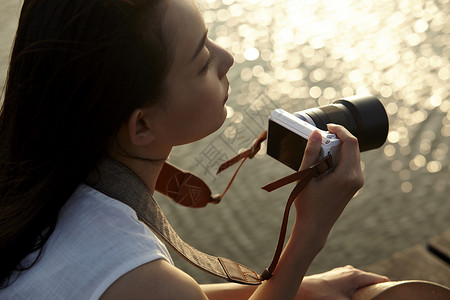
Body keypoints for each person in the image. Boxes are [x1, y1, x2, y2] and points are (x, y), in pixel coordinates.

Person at [0, 0, 389, 298]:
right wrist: (310, 232)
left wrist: (301, 289)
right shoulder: (132, 266)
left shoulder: (31, 180)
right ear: (141, 125)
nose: (227, 58)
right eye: (202, 59)